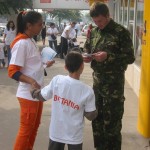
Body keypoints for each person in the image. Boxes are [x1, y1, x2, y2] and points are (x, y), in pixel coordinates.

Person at [83, 2, 135, 150]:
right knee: (97, 123)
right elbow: (87, 47)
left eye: (100, 21)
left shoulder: (121, 32)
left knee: (112, 126)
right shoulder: (93, 32)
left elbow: (130, 57)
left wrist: (108, 56)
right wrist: (86, 55)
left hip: (113, 89)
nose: (97, 24)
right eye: (94, 21)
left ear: (107, 16)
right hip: (97, 86)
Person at [31, 51, 98, 150]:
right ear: (82, 67)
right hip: (75, 135)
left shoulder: (57, 80)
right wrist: (81, 107)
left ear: (65, 67)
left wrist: (33, 91)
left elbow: (42, 96)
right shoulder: (87, 90)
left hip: (56, 132)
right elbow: (91, 115)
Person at [8, 11, 55, 150]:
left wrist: (45, 64)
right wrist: (31, 81)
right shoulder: (22, 43)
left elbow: (32, 66)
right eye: (40, 24)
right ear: (29, 25)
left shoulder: (31, 40)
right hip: (27, 95)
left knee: (34, 128)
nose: (42, 27)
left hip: (36, 93)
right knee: (26, 130)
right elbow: (13, 71)